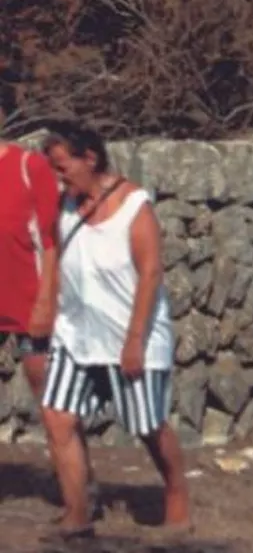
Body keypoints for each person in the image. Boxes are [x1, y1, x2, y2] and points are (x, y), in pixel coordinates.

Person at [40, 123, 189, 536]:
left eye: (63, 167)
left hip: (130, 333)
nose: (60, 177)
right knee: (57, 416)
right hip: (77, 333)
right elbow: (57, 260)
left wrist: (135, 341)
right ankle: (77, 513)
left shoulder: (132, 205)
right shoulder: (65, 207)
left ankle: (176, 492)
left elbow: (150, 273)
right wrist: (49, 312)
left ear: (90, 158)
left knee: (146, 424)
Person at [1, 132, 60, 419]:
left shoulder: (29, 165)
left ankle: (69, 461)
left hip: (27, 299)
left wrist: (45, 301)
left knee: (47, 390)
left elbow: (51, 240)